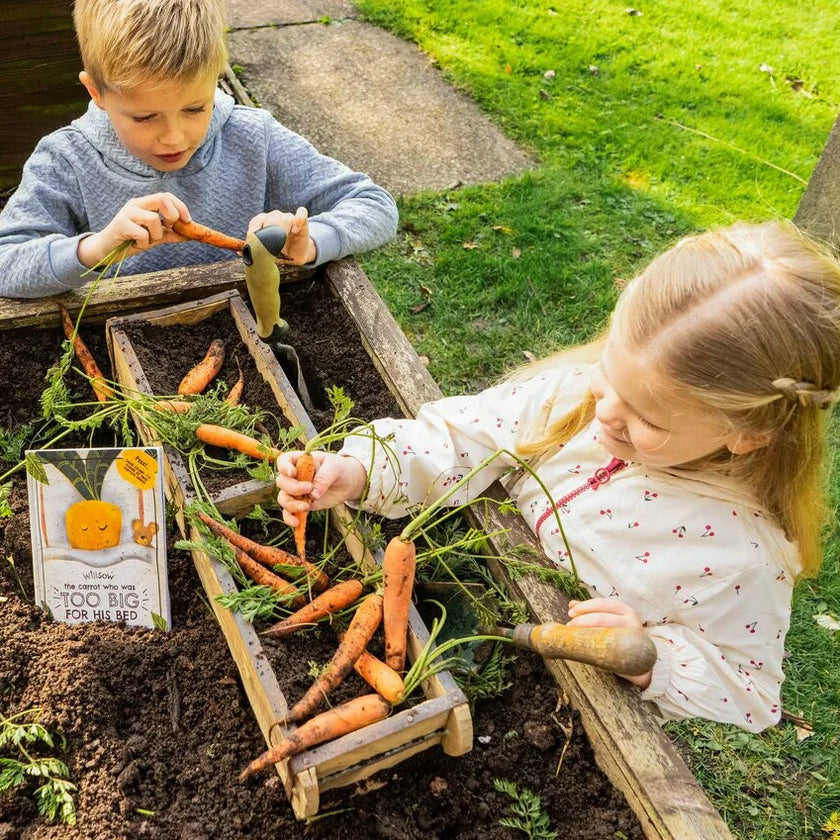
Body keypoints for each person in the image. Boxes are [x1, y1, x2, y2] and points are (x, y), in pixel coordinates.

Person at [275, 221, 840, 732]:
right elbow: (463, 436)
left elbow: (748, 690)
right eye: (607, 374)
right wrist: (356, 470)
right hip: (465, 571)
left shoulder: (741, 558)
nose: (606, 414)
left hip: (555, 689)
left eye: (646, 417)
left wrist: (651, 655)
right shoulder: (572, 397)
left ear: (745, 434)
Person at [0, 0, 398, 299]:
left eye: (195, 108)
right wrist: (97, 248)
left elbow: (374, 204)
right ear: (96, 93)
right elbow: (6, 263)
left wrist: (309, 241)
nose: (174, 137)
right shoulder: (64, 160)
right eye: (145, 118)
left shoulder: (251, 135)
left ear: (214, 81)